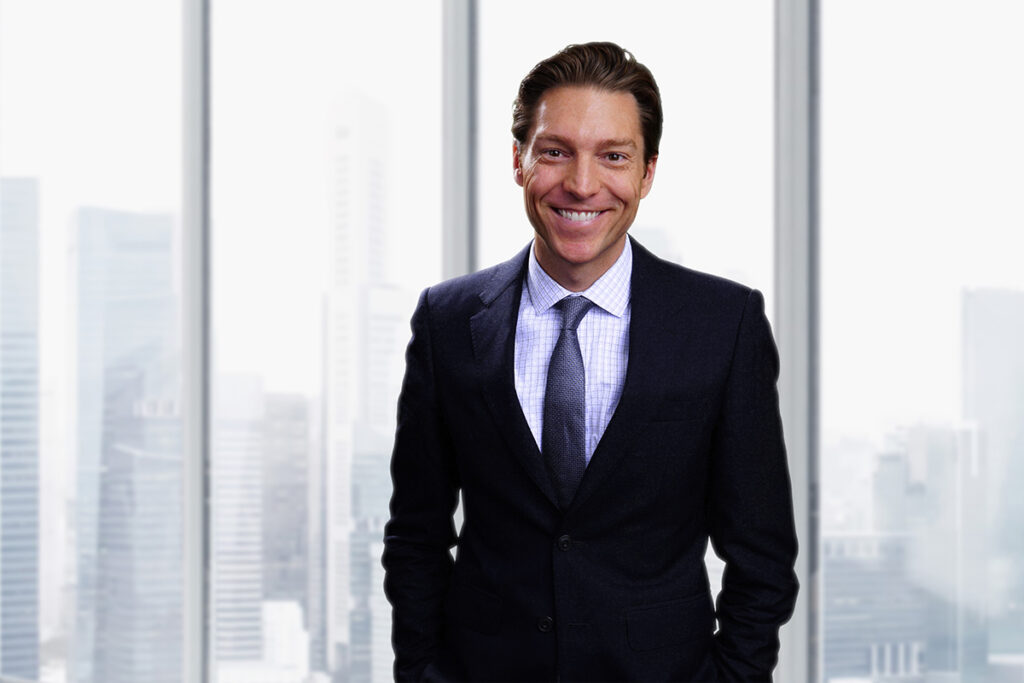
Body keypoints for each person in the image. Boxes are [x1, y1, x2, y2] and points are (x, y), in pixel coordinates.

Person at [383, 41, 799, 682]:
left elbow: (762, 555)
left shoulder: (723, 325)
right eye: (555, 151)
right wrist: (422, 673)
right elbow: (415, 535)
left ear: (648, 173)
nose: (581, 184)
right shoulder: (447, 322)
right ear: (519, 162)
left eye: (613, 156)